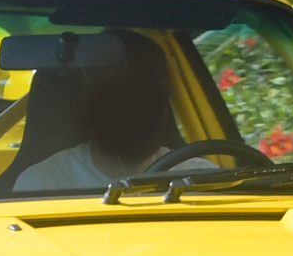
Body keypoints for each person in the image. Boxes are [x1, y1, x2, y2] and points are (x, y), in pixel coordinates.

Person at [13, 34, 211, 192]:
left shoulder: (205, 180)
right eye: (119, 98)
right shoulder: (43, 186)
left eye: (150, 98)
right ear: (87, 105)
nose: (136, 111)